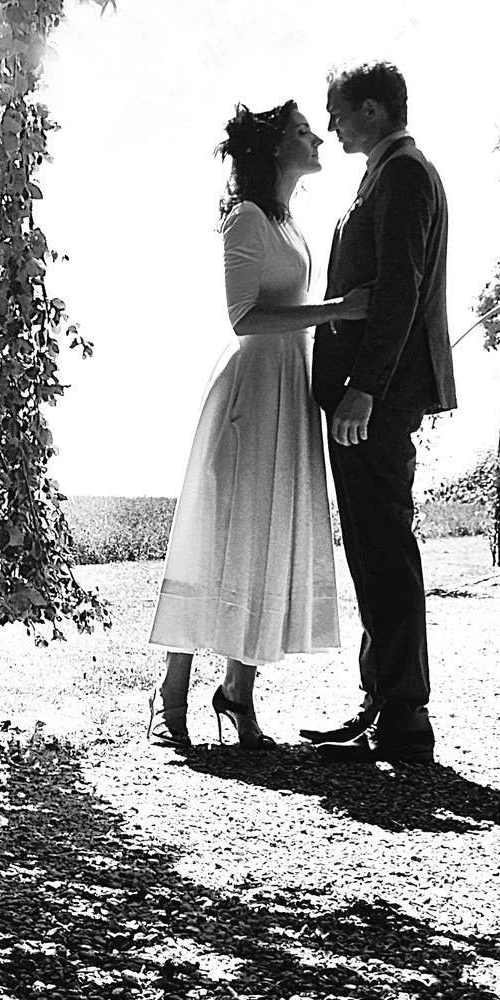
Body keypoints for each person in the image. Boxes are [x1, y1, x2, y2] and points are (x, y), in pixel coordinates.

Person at [147, 102, 368, 751]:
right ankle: (172, 689)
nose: (318, 136)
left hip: (287, 390)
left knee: (267, 533)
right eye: (304, 131)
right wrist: (337, 310)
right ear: (275, 148)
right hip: (249, 392)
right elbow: (242, 317)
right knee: (222, 534)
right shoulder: (245, 217)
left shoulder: (290, 223)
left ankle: (237, 691)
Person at [303, 61, 456, 765]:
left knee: (384, 546)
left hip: (379, 396)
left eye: (337, 114)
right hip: (369, 392)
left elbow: (400, 287)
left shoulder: (404, 174)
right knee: (368, 544)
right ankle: (383, 704)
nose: (331, 127)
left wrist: (365, 384)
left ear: (371, 109)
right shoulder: (387, 173)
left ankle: (403, 716)